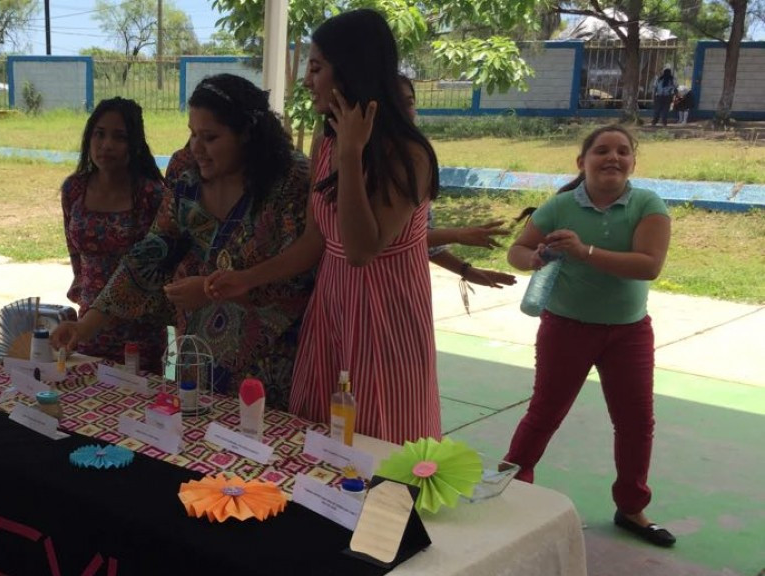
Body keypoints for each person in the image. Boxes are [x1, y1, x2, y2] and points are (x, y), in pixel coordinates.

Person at [206, 9, 441, 443]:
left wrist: (353, 154)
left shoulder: (408, 154)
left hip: (385, 316)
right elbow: (319, 241)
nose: (308, 80)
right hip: (332, 305)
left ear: (350, 69)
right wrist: (246, 279)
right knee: (319, 431)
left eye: (316, 67)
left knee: (378, 433)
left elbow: (360, 249)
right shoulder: (326, 140)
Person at [52, 74, 313, 409]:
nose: (196, 148)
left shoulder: (288, 178)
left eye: (210, 137)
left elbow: (300, 274)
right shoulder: (184, 170)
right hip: (200, 350)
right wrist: (86, 326)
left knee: (255, 450)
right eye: (192, 133)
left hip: (270, 355)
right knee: (191, 441)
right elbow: (152, 250)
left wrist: (209, 290)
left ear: (246, 135)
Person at [503, 125, 675, 547]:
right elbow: (516, 251)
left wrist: (586, 253)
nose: (613, 158)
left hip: (629, 333)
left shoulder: (648, 205)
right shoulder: (560, 206)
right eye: (602, 150)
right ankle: (510, 488)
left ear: (634, 162)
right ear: (582, 162)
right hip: (566, 328)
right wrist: (537, 255)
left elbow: (649, 265)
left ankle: (631, 507)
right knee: (545, 412)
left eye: (623, 151)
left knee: (636, 422)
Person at [62, 98, 167, 372]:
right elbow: (76, 258)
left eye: (119, 137)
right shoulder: (74, 189)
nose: (106, 144)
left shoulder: (152, 195)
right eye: (99, 134)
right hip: (88, 325)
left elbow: (158, 266)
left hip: (140, 330)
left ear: (134, 144)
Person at [396, 74, 517, 293]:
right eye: (394, 104)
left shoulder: (417, 159)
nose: (404, 113)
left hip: (407, 283)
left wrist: (465, 270)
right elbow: (393, 241)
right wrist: (457, 234)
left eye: (409, 103)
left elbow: (420, 238)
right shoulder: (363, 165)